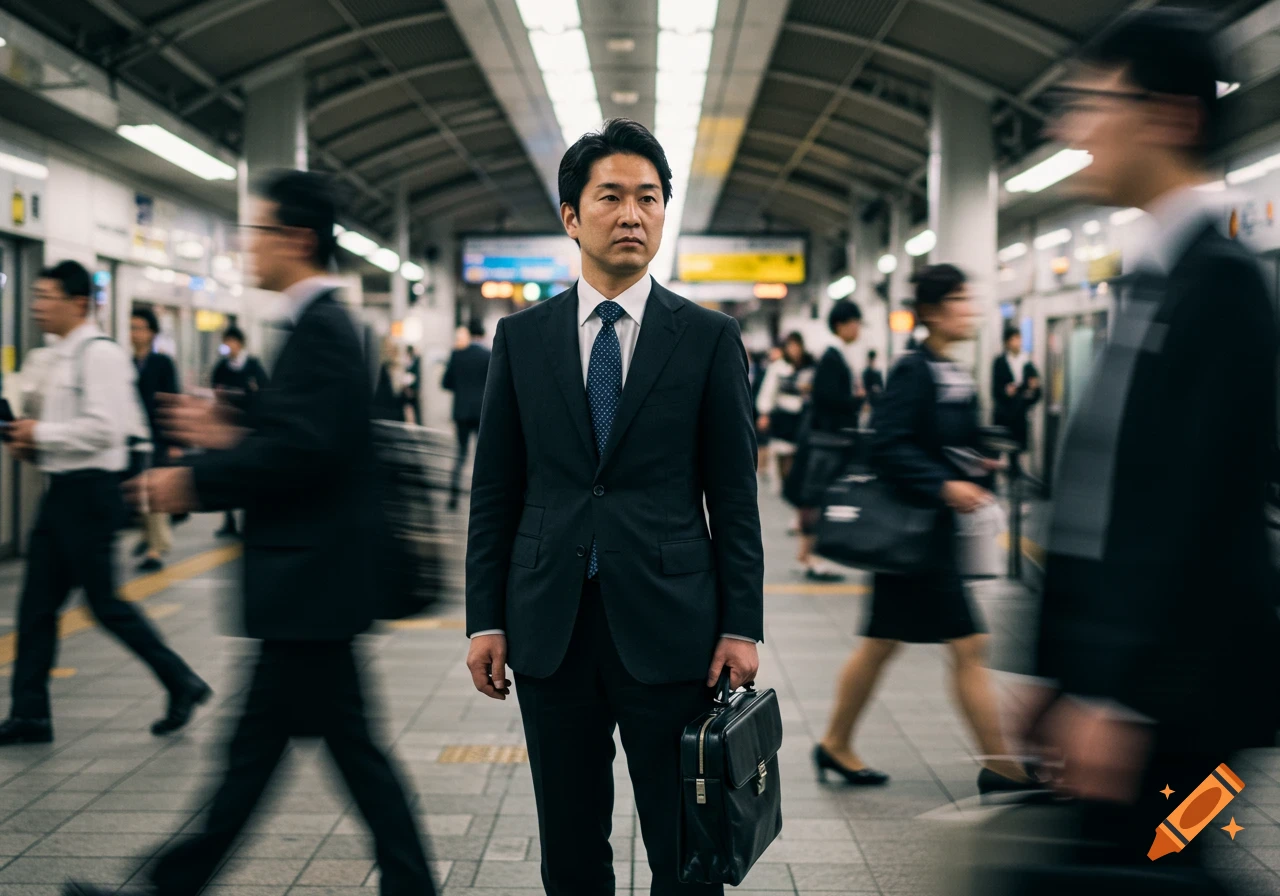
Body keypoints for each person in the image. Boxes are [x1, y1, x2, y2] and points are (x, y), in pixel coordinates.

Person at [65, 171, 436, 896]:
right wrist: (235, 428)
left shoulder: (324, 328)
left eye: (256, 232)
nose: (245, 248)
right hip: (313, 586)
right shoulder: (321, 327)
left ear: (296, 238)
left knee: (283, 756)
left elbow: (304, 452)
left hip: (312, 585)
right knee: (290, 755)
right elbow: (306, 438)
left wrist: (196, 479)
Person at [464, 118, 763, 896]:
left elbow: (734, 495)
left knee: (684, 848)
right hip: (549, 627)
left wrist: (741, 624)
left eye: (650, 198)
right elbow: (495, 488)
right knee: (569, 847)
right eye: (612, 197)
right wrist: (484, 618)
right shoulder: (521, 339)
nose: (633, 214)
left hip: (671, 625)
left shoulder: (705, 337)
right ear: (572, 215)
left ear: (665, 215)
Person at [1015, 9, 1280, 885]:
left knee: (1169, 860)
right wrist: (1054, 672)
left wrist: (1119, 696)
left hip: (1181, 699)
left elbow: (1196, 511)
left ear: (1170, 117)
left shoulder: (1224, 285)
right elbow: (1101, 490)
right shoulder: (1152, 277)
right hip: (1124, 690)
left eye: (1094, 102)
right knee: (1149, 866)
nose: (1070, 129)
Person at [813, 265, 1030, 793]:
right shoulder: (914, 369)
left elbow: (940, 436)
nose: (970, 310)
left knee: (881, 643)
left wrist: (979, 457)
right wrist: (944, 485)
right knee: (969, 644)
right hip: (915, 535)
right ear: (932, 311)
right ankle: (1002, 766)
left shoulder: (947, 368)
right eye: (959, 300)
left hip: (925, 538)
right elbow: (888, 442)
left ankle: (835, 742)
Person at [0, 262, 210, 746]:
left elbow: (105, 430)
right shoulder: (56, 357)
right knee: (36, 607)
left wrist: (43, 434)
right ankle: (30, 713)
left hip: (91, 495)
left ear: (78, 303)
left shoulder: (100, 356)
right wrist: (30, 441)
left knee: (105, 604)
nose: (37, 305)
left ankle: (181, 681)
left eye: (47, 295)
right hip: (62, 491)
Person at [791, 301, 864, 582]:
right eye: (855, 323)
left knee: (816, 497)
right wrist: (855, 401)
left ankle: (807, 555)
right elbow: (828, 398)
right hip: (828, 441)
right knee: (818, 497)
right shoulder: (833, 355)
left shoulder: (835, 354)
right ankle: (812, 557)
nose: (858, 329)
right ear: (842, 325)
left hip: (826, 439)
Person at [128, 307, 181, 572]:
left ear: (151, 332)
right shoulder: (127, 363)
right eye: (131, 327)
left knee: (155, 495)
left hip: (158, 438)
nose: (134, 333)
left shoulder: (162, 363)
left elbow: (172, 401)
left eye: (139, 327)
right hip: (135, 440)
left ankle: (155, 549)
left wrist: (174, 441)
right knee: (141, 494)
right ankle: (148, 537)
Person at [209, 326, 268, 538]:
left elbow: (264, 392)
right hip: (227, 426)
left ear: (240, 343)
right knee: (228, 474)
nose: (228, 346)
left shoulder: (253, 366)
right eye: (226, 341)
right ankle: (229, 520)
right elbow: (215, 391)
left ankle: (248, 521)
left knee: (247, 475)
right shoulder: (221, 367)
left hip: (248, 427)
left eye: (231, 341)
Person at [441, 320, 491, 511]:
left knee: (460, 454)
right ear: (483, 334)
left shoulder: (457, 355)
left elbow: (446, 383)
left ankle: (452, 497)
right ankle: (482, 499)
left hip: (461, 412)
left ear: (469, 334)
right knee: (483, 457)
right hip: (481, 413)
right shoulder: (489, 356)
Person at [990, 326, 1040, 479]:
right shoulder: (1000, 362)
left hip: (1019, 417)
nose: (1018, 342)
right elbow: (995, 390)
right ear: (1007, 342)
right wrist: (1006, 392)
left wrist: (1029, 393)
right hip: (1003, 416)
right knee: (995, 452)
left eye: (1019, 339)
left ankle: (1015, 495)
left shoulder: (1027, 363)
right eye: (1014, 339)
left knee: (1016, 457)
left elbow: (1037, 391)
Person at [401, 345, 421, 423]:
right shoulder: (410, 361)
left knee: (411, 405)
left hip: (412, 387)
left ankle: (413, 421)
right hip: (410, 387)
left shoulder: (415, 361)